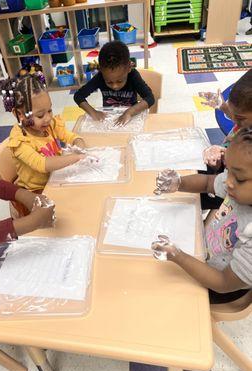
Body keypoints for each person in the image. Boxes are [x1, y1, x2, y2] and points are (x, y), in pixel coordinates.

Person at [152, 128, 252, 304]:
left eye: (240, 179)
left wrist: (178, 256)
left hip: (217, 287)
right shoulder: (237, 185)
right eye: (228, 171)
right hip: (205, 250)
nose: (228, 181)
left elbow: (223, 283)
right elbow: (207, 183)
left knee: (158, 293)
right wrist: (179, 183)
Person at [2, 74, 86, 193]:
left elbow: (69, 136)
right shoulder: (20, 142)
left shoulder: (48, 124)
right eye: (40, 115)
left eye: (50, 110)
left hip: (54, 177)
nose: (47, 118)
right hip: (37, 191)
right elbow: (42, 164)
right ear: (19, 114)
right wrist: (76, 157)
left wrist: (79, 144)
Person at [198, 69, 252, 209]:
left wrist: (226, 158)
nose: (235, 121)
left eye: (239, 118)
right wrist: (224, 107)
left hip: (235, 192)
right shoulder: (245, 124)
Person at [73, 40, 155, 126]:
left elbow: (150, 98)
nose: (115, 86)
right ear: (101, 70)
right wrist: (93, 112)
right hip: (108, 117)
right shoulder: (100, 77)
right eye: (109, 82)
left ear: (129, 68)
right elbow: (78, 96)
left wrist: (129, 112)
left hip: (132, 115)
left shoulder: (133, 75)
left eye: (120, 81)